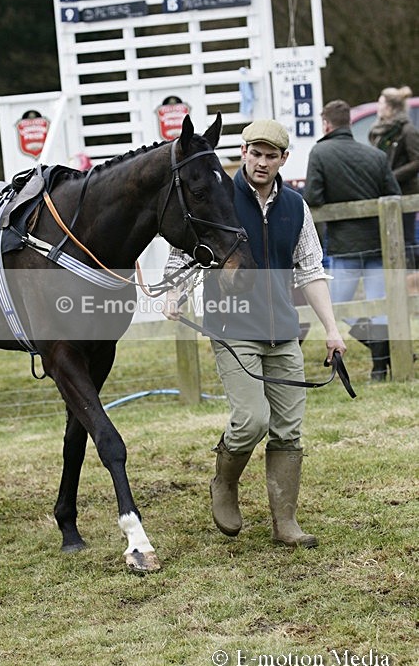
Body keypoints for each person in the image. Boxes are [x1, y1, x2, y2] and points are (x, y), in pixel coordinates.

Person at [164, 119, 346, 548]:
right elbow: (181, 255)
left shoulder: (296, 207)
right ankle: (224, 482)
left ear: (284, 159)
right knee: (252, 420)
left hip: (283, 331)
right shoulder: (218, 196)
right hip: (233, 328)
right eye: (255, 153)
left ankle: (286, 523)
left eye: (271, 156)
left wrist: (332, 329)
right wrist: (175, 293)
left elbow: (310, 271)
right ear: (243, 153)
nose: (262, 162)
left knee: (288, 430)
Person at [304, 100, 400, 381]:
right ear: (348, 122)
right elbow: (393, 193)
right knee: (378, 306)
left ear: (327, 124)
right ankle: (381, 366)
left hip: (344, 245)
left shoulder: (320, 153)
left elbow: (313, 197)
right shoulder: (375, 156)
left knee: (338, 307)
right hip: (378, 242)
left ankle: (381, 358)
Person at [368, 86, 419, 266]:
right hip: (383, 192)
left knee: (406, 238)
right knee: (389, 238)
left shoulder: (407, 130)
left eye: (381, 103)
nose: (378, 107)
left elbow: (416, 161)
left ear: (390, 107)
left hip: (405, 192)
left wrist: (392, 176)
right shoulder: (377, 130)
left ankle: (411, 277)